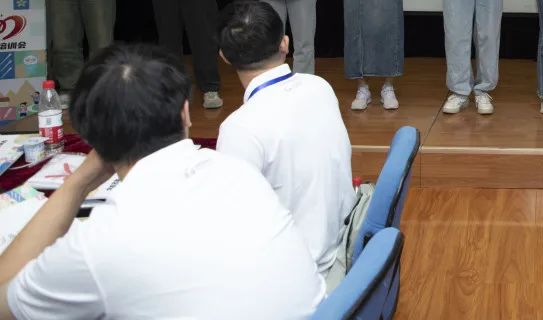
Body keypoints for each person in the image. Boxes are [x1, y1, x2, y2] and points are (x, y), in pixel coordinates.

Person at [0, 43, 324, 319]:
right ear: (186, 113)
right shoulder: (239, 173)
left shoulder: (97, 244)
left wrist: (77, 183)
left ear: (89, 136)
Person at [217, 0, 354, 279]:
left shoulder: (239, 129)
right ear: (285, 43)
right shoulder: (319, 86)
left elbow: (233, 225)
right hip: (344, 247)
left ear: (224, 57)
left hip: (297, 276)